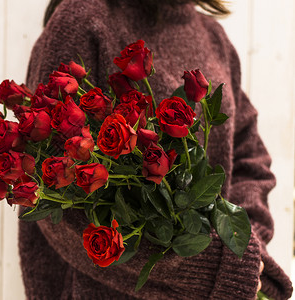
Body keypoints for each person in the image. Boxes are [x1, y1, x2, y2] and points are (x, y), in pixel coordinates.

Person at [18, 0, 293, 298]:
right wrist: (216, 268)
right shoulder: (84, 19)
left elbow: (248, 155)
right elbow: (54, 199)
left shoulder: (213, 36)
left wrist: (242, 241)